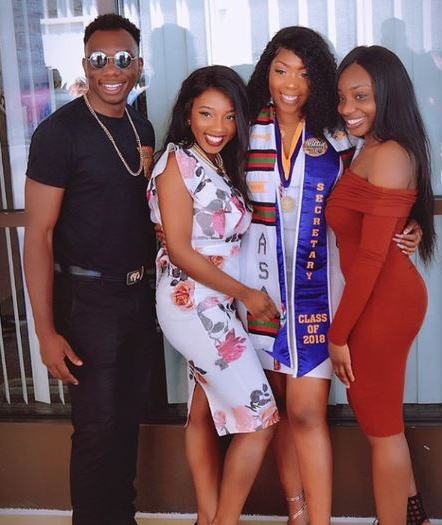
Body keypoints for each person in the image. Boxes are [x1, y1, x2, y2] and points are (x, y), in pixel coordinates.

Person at [240, 27, 422, 525]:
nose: (290, 83)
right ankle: (298, 513)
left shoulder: (339, 134)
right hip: (256, 286)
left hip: (324, 291)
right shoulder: (245, 127)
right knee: (278, 407)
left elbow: (380, 195)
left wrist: (410, 225)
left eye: (304, 73)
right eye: (281, 70)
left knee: (310, 412)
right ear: (266, 72)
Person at [24, 13, 156, 525]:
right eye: (99, 60)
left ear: (138, 64)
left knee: (126, 424)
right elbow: (38, 236)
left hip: (138, 297)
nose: (111, 70)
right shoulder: (58, 134)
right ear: (85, 65)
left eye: (122, 59)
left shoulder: (141, 126)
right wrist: (45, 331)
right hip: (87, 304)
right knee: (96, 431)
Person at [147, 65, 279, 525]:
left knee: (201, 414)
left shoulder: (216, 162)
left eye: (228, 116)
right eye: (206, 114)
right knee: (261, 420)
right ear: (188, 113)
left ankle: (207, 518)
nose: (218, 127)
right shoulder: (175, 163)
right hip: (193, 305)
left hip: (215, 304)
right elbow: (181, 251)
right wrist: (248, 295)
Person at [327, 45, 435, 525]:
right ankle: (413, 517)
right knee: (380, 420)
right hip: (376, 296)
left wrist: (338, 334)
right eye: (342, 96)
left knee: (381, 428)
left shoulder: (389, 152)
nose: (348, 108)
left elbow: (371, 258)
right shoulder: (366, 146)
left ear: (387, 95)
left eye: (361, 96)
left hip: (384, 301)